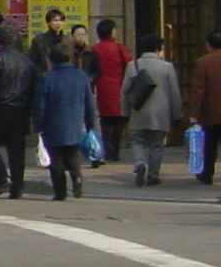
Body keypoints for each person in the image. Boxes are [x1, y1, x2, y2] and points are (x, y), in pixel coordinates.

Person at [0, 24, 39, 200]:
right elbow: (34, 87)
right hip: (21, 110)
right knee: (17, 150)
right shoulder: (27, 62)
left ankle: (0, 178)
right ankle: (17, 187)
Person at [32, 42, 97, 202]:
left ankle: (60, 192)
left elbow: (40, 105)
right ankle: (77, 178)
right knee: (73, 154)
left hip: (52, 125)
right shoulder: (81, 76)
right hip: (75, 125)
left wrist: (38, 126)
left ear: (51, 60)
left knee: (56, 160)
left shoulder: (46, 78)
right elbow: (89, 103)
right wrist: (91, 125)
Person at [125, 34, 184, 188]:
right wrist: (177, 114)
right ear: (158, 49)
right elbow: (174, 93)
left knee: (137, 141)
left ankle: (139, 164)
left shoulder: (133, 65)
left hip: (139, 111)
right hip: (160, 114)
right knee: (156, 145)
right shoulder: (167, 67)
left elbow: (125, 91)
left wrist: (125, 112)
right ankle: (153, 175)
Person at [88, 19, 133, 165]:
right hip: (119, 87)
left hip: (102, 88)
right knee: (119, 121)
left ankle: (107, 150)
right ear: (112, 31)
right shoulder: (120, 48)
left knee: (105, 121)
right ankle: (116, 151)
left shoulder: (94, 49)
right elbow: (130, 65)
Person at [185, 29, 221, 185]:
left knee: (210, 145)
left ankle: (207, 173)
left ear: (208, 45)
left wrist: (194, 112)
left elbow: (199, 89)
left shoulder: (204, 62)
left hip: (211, 111)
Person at [27, 8, 69, 73]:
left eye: (61, 20)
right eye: (55, 20)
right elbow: (32, 61)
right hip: (46, 76)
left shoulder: (68, 40)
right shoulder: (39, 40)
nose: (58, 23)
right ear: (48, 22)